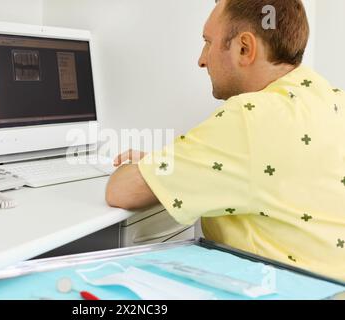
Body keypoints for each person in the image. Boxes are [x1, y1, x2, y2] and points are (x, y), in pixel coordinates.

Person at [105, 0, 345, 281]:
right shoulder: (330, 98)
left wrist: (153, 165)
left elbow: (120, 190)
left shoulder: (249, 119)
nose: (202, 59)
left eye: (208, 42)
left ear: (244, 48)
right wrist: (171, 162)